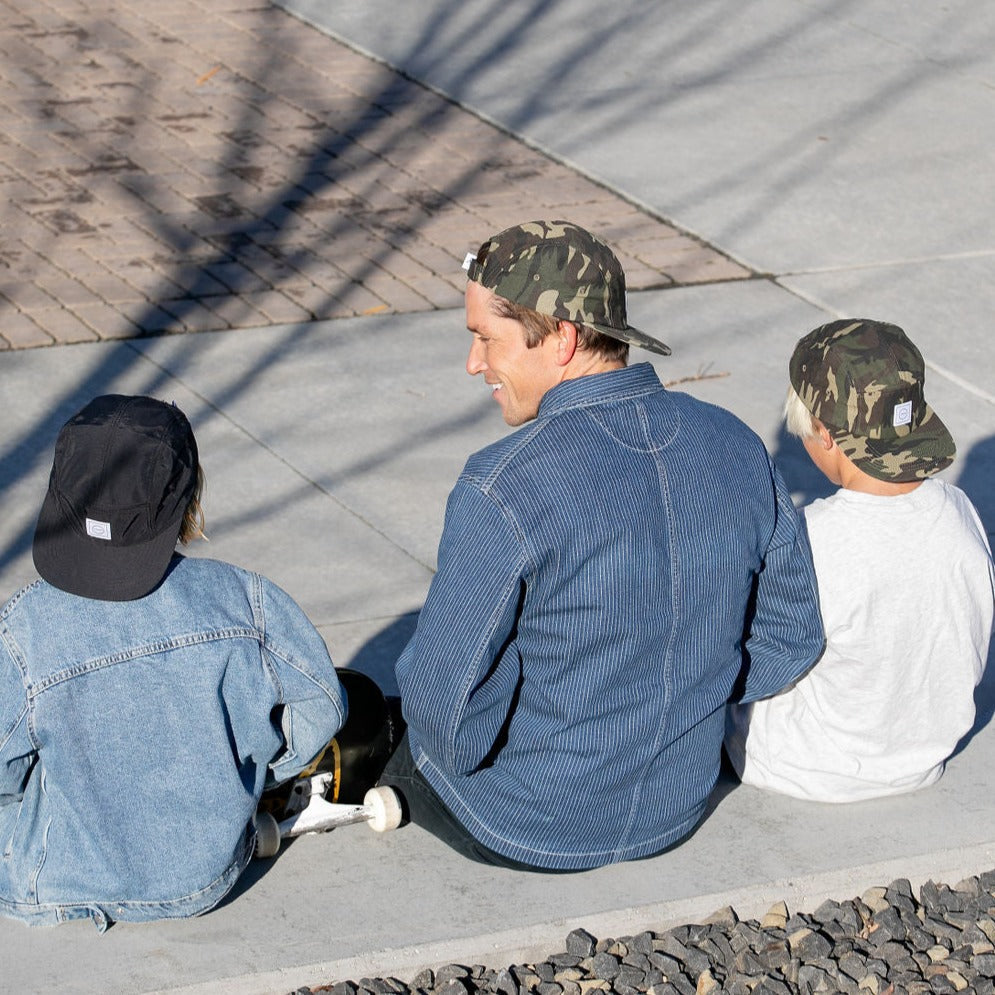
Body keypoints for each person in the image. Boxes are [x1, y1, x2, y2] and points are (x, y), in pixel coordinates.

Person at [379, 220, 824, 871]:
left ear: (561, 337)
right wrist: (681, 696)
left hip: (526, 824)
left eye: (484, 338)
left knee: (380, 712)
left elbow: (446, 716)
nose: (473, 363)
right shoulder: (733, 443)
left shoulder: (502, 485)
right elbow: (791, 637)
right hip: (677, 806)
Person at [0, 395, 345, 930]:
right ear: (186, 500)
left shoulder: (25, 628)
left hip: (55, 881)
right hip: (207, 877)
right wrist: (248, 772)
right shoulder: (245, 602)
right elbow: (322, 705)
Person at [726, 319, 995, 802]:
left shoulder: (813, 536)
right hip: (922, 755)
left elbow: (763, 652)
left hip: (802, 763)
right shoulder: (961, 514)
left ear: (826, 435)